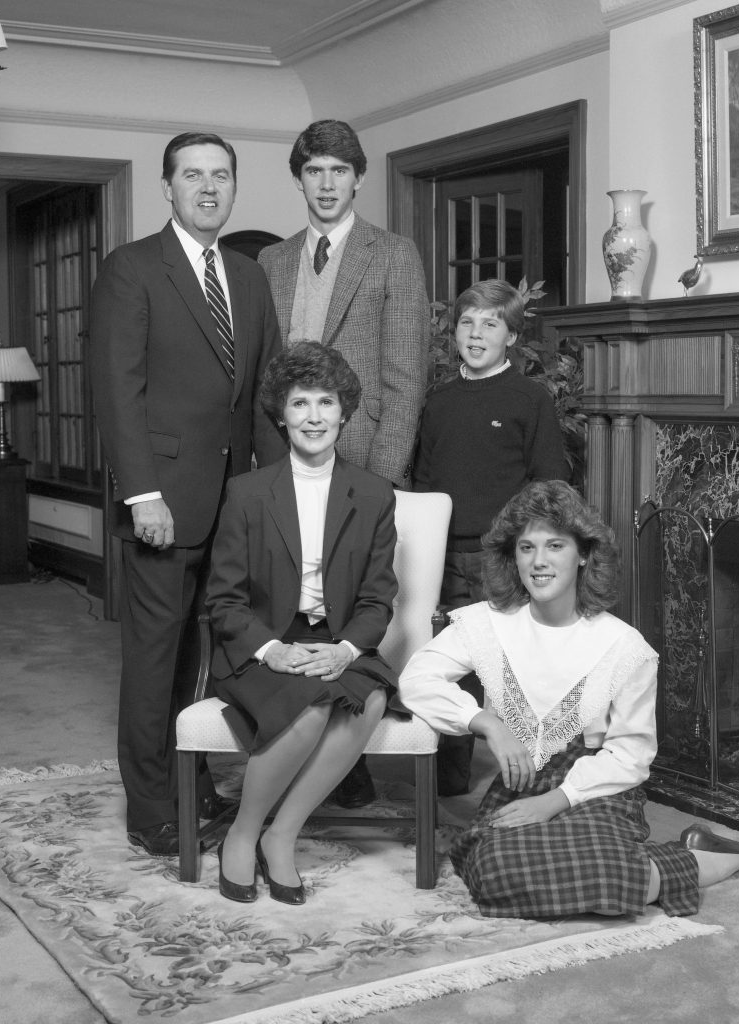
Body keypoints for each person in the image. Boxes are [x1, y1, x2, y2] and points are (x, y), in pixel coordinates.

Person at [398, 480, 739, 920]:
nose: (539, 561)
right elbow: (417, 679)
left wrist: (557, 800)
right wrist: (487, 723)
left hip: (597, 787)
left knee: (603, 873)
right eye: (527, 547)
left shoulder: (624, 647)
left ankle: (713, 856)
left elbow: (631, 756)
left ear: (583, 554)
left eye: (555, 546)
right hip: (522, 783)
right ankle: (654, 863)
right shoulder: (486, 624)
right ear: (513, 557)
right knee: (496, 871)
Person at [89, 131, 284, 858]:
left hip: (235, 502)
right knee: (155, 659)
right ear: (167, 187)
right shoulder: (133, 267)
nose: (208, 187)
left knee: (212, 656)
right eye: (193, 175)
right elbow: (118, 390)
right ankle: (150, 809)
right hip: (164, 501)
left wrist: (277, 495)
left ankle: (192, 780)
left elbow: (263, 397)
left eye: (221, 175)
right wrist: (142, 494)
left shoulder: (250, 277)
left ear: (234, 187)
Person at [259, 118, 429, 808]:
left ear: (358, 178)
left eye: (338, 171)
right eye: (313, 171)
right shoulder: (271, 260)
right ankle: (298, 746)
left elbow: (406, 377)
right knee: (289, 602)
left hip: (360, 462)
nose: (326, 184)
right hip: (284, 463)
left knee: (345, 605)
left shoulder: (393, 255)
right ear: (299, 180)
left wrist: (381, 480)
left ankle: (344, 764)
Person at [206, 342, 399, 904]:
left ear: (344, 411)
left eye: (325, 402)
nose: (314, 417)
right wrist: (272, 650)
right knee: (312, 706)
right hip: (260, 645)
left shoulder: (374, 494)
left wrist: (345, 650)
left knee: (370, 699)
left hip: (335, 641)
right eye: (299, 403)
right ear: (281, 415)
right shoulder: (247, 493)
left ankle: (282, 835)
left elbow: (377, 601)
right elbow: (224, 601)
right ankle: (243, 834)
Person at [413, 279, 569, 796]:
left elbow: (548, 484)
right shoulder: (438, 400)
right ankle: (448, 780)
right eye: (467, 323)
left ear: (512, 336)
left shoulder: (530, 398)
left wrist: (526, 552)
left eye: (490, 324)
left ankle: (528, 777)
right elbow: (424, 480)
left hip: (500, 556)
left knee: (513, 666)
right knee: (451, 663)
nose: (476, 334)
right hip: (441, 554)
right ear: (454, 332)